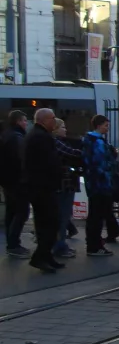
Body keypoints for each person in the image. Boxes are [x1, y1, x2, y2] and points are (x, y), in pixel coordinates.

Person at [23, 108, 64, 272]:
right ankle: (40, 257)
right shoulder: (41, 137)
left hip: (39, 187)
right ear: (44, 120)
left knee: (45, 223)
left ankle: (46, 256)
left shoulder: (35, 135)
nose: (55, 121)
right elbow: (49, 162)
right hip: (43, 188)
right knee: (50, 223)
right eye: (53, 118)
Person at [82, 115, 118, 256]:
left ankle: (94, 243)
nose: (107, 128)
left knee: (94, 216)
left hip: (93, 184)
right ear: (98, 125)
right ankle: (94, 246)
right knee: (97, 217)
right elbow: (101, 163)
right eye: (105, 125)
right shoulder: (98, 142)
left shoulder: (89, 140)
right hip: (101, 184)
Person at [0, 110, 31, 258]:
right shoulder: (17, 138)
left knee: (11, 212)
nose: (26, 124)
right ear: (18, 121)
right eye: (25, 121)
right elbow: (21, 160)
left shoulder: (7, 135)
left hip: (8, 180)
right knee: (21, 212)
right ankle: (14, 244)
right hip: (18, 181)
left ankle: (11, 243)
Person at [51, 118, 82, 259]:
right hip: (64, 183)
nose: (65, 129)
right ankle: (59, 246)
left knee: (63, 217)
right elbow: (74, 154)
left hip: (66, 183)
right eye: (62, 127)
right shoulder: (56, 142)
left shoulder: (60, 141)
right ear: (55, 128)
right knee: (62, 217)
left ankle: (61, 244)